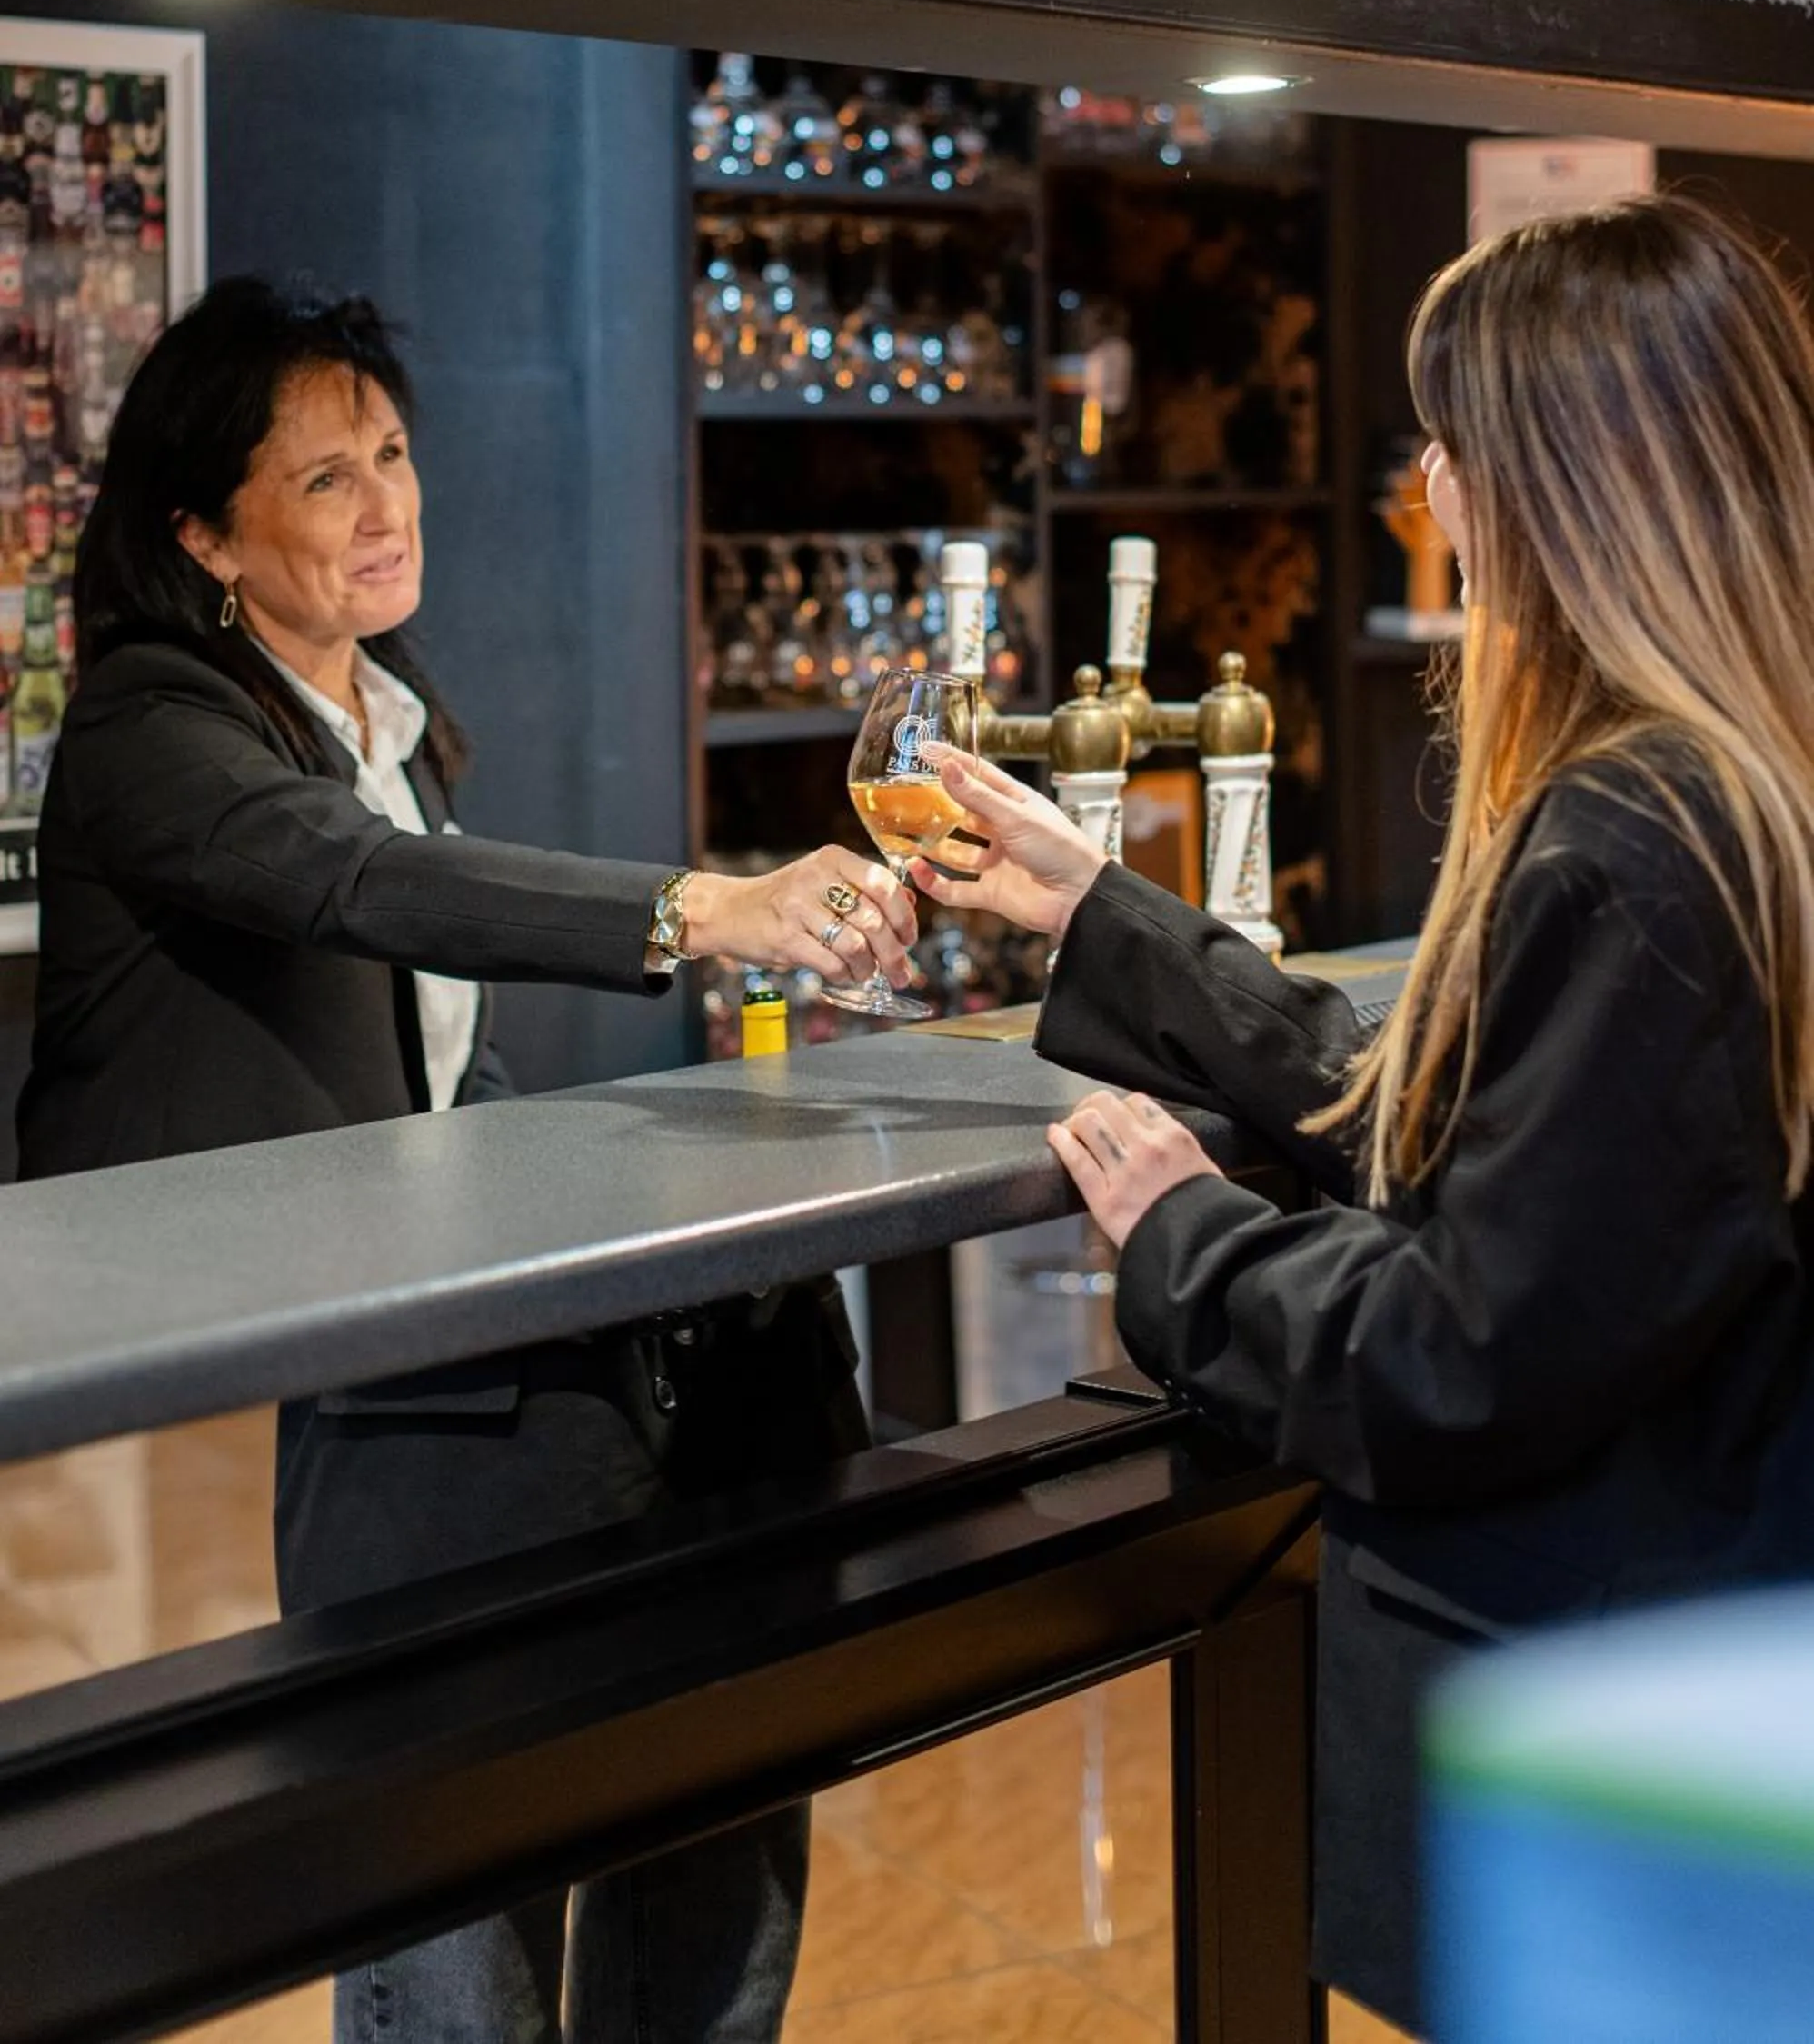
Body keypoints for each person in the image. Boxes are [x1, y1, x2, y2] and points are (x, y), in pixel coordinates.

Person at [912, 194, 1814, 2039]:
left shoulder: (1632, 843)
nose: (1425, 484)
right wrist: (1105, 914)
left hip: (1596, 1727)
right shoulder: (1743, 791)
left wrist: (1185, 1240)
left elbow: (1459, 1349)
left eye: (1451, 442)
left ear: (1564, 477)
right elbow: (1469, 1128)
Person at [16, 275, 919, 2044]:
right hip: (298, 1365)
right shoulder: (150, 731)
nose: (389, 506)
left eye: (395, 456)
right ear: (204, 534)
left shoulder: (385, 721)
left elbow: (428, 1055)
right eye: (327, 479)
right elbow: (355, 887)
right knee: (449, 1902)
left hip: (452, 1345)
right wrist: (701, 906)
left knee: (690, 1812)